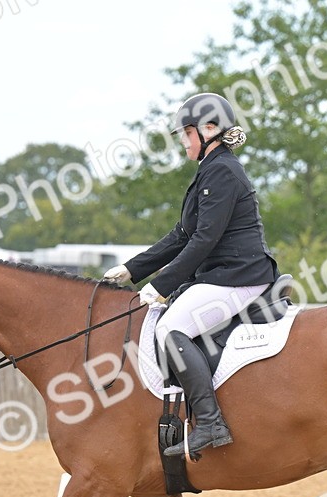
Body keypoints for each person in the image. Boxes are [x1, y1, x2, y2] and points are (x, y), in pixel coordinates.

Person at [103, 92, 278, 459]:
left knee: (171, 328)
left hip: (239, 275)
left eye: (187, 133)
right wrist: (133, 269)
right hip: (224, 273)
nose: (183, 141)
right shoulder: (210, 170)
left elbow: (205, 239)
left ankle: (211, 422)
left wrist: (161, 286)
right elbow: (182, 234)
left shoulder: (223, 171)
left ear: (210, 129)